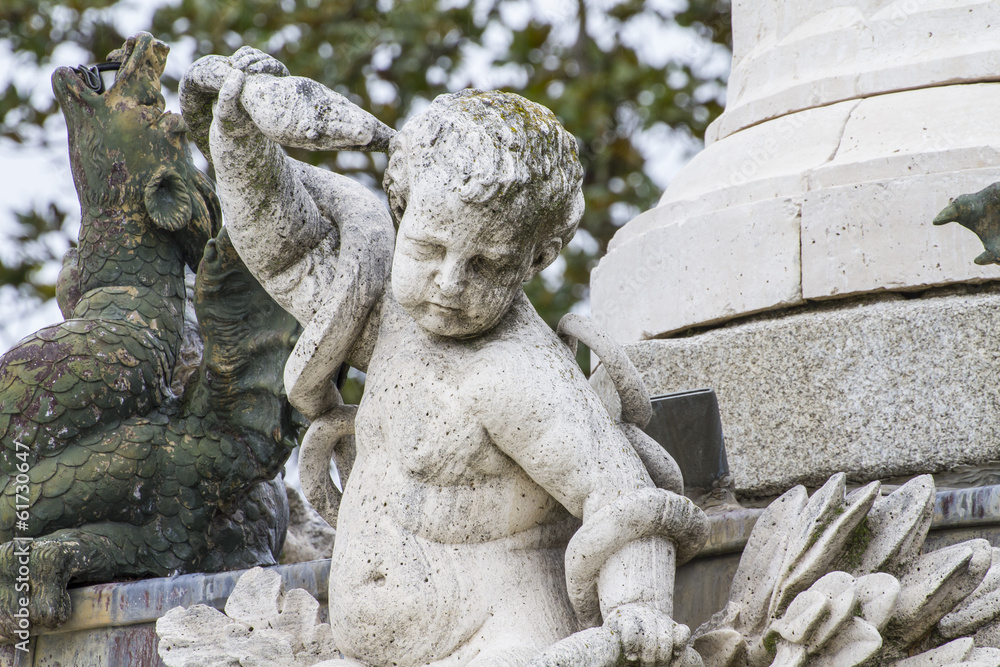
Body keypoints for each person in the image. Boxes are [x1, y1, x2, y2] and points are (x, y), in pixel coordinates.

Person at [187, 46, 706, 667]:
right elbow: (286, 249)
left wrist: (636, 613)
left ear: (535, 259)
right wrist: (240, 131)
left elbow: (620, 497)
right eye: (430, 248)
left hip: (497, 644)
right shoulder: (392, 317)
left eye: (486, 265)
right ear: (400, 212)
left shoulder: (519, 374)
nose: (450, 284)